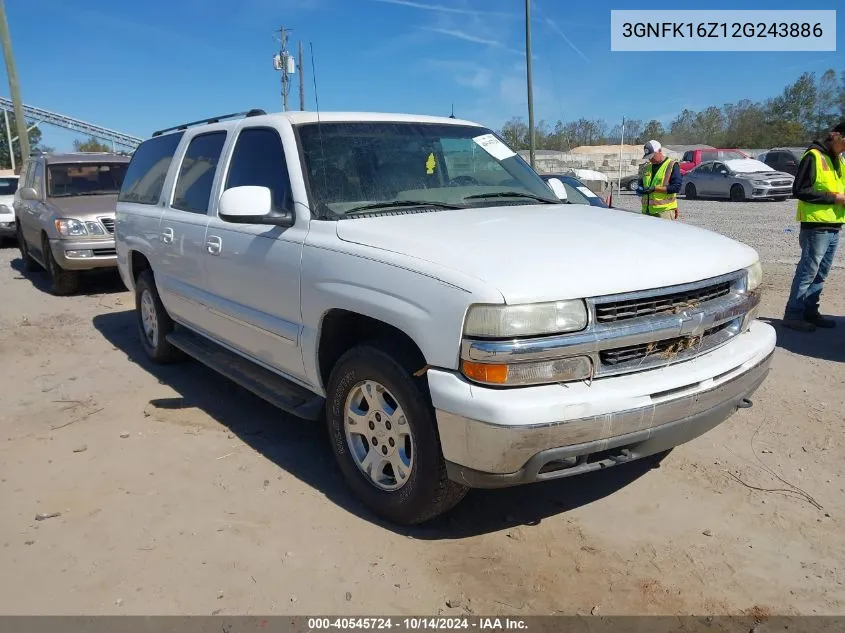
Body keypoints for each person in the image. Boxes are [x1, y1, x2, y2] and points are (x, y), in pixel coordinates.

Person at [782, 120, 845, 332]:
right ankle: (793, 315)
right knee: (807, 272)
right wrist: (835, 198)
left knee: (821, 273)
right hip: (816, 225)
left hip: (834, 224)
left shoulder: (838, 160)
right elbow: (799, 189)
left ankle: (810, 311)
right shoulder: (814, 156)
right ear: (835, 136)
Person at [637, 140, 682, 220]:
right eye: (648, 157)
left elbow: (676, 187)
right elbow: (642, 183)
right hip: (647, 212)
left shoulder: (671, 165)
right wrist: (640, 188)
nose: (650, 159)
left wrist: (655, 189)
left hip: (664, 212)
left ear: (660, 151)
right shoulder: (647, 168)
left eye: (652, 156)